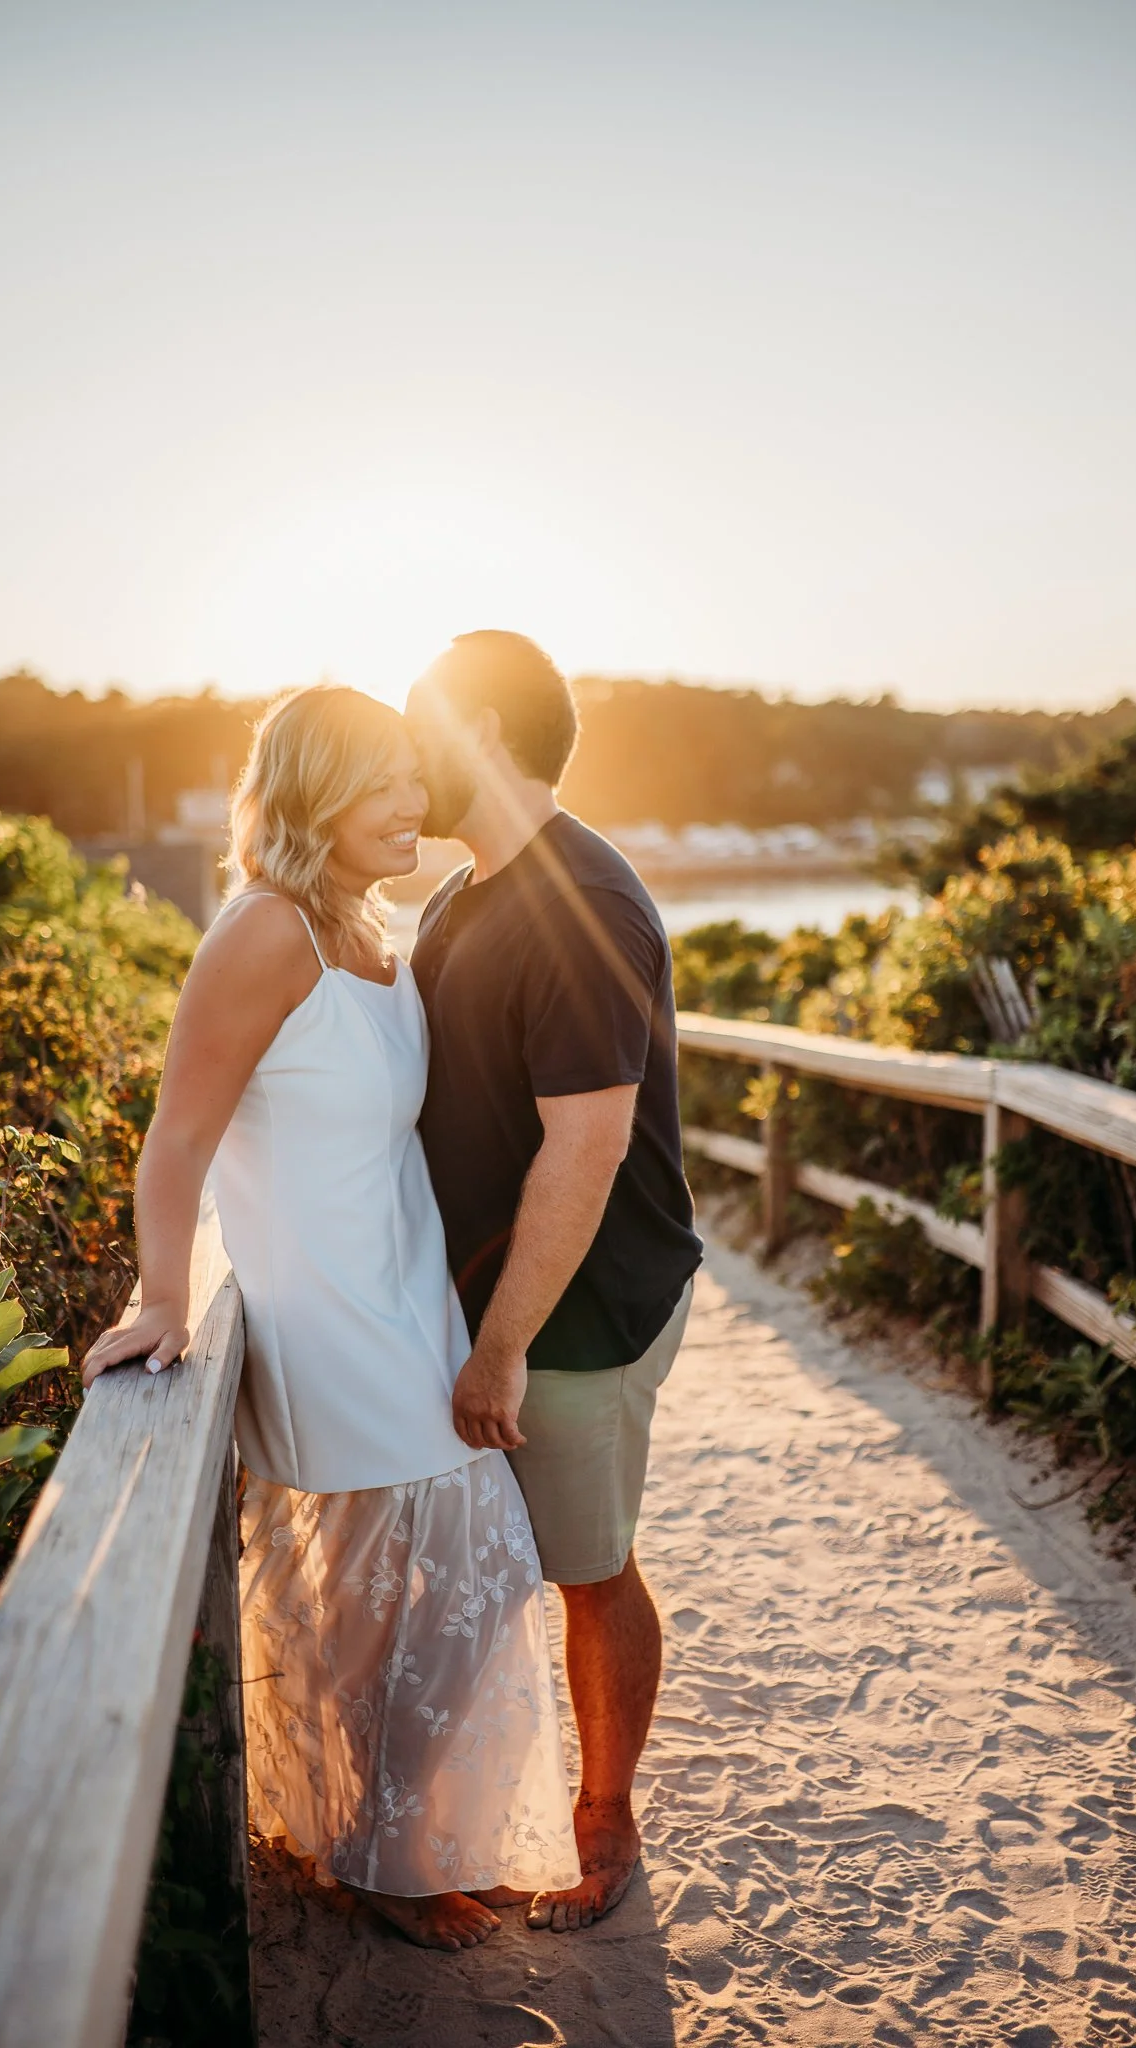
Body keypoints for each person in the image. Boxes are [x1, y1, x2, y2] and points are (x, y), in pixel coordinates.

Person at [81, 685, 579, 1953]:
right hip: (331, 1325)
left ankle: (380, 1838)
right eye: (382, 786)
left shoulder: (367, 924)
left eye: (416, 776)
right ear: (310, 796)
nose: (415, 804)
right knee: (424, 1590)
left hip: (411, 1302)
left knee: (436, 1590)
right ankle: (386, 1860)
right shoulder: (262, 932)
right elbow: (177, 1140)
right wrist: (161, 1297)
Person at [406, 631, 703, 1935]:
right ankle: (454, 1825)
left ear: (476, 732)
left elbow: (584, 1155)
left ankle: (605, 1815)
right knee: (471, 1568)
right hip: (498, 1308)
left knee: (588, 1570)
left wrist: (501, 1345)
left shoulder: (586, 906)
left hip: (580, 1315)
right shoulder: (458, 895)